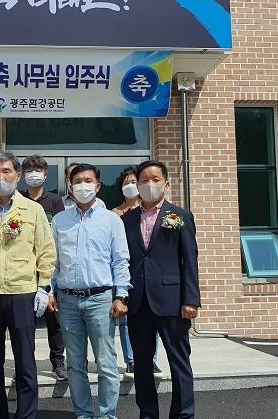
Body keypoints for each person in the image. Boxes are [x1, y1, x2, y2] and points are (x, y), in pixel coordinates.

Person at [0, 152, 56, 419]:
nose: (1, 177)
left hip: (22, 293)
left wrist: (44, 286)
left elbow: (46, 250)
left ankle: (26, 414)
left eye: (6, 171)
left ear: (17, 176)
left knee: (25, 362)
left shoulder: (33, 210)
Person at [51, 163, 130, 419]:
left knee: (106, 363)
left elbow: (120, 260)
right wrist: (50, 291)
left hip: (101, 300)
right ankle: (84, 414)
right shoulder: (60, 220)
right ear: (70, 187)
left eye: (88, 181)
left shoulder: (111, 220)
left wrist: (121, 296)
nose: (83, 186)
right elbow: (53, 261)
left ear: (97, 186)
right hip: (68, 301)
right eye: (77, 182)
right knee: (75, 365)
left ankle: (107, 415)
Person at [122, 160, 200, 419]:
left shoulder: (179, 216)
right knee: (142, 364)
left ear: (166, 183)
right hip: (138, 302)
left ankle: (183, 414)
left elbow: (190, 260)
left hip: (172, 301)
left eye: (155, 179)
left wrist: (191, 300)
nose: (149, 184)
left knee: (179, 362)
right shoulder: (127, 220)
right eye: (144, 180)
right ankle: (148, 413)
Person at [112, 166, 164, 378]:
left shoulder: (155, 213)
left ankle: (152, 360)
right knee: (126, 320)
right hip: (127, 273)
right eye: (126, 183)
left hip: (150, 274)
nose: (130, 186)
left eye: (134, 182)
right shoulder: (116, 214)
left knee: (153, 319)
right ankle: (131, 360)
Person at [21, 155, 67, 380]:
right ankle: (25, 364)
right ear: (22, 175)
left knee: (54, 317)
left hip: (50, 267)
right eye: (29, 170)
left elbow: (60, 234)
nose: (34, 174)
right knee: (25, 321)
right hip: (25, 268)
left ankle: (58, 361)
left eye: (38, 170)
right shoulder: (18, 199)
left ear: (46, 174)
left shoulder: (55, 201)